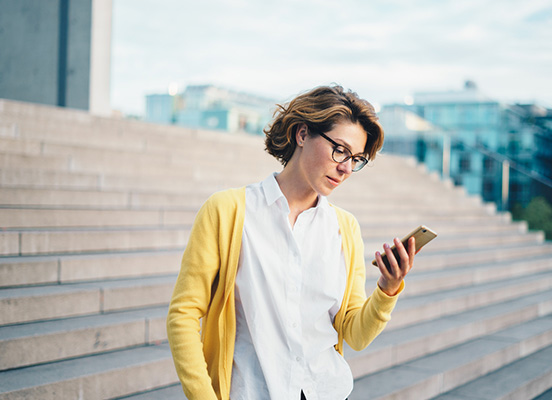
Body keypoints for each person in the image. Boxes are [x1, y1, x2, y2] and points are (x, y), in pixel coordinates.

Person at [166, 85, 416, 400]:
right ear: (302, 134)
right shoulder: (228, 211)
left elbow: (355, 333)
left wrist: (387, 289)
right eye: (340, 150)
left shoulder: (345, 228)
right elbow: (183, 314)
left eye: (356, 159)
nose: (346, 168)